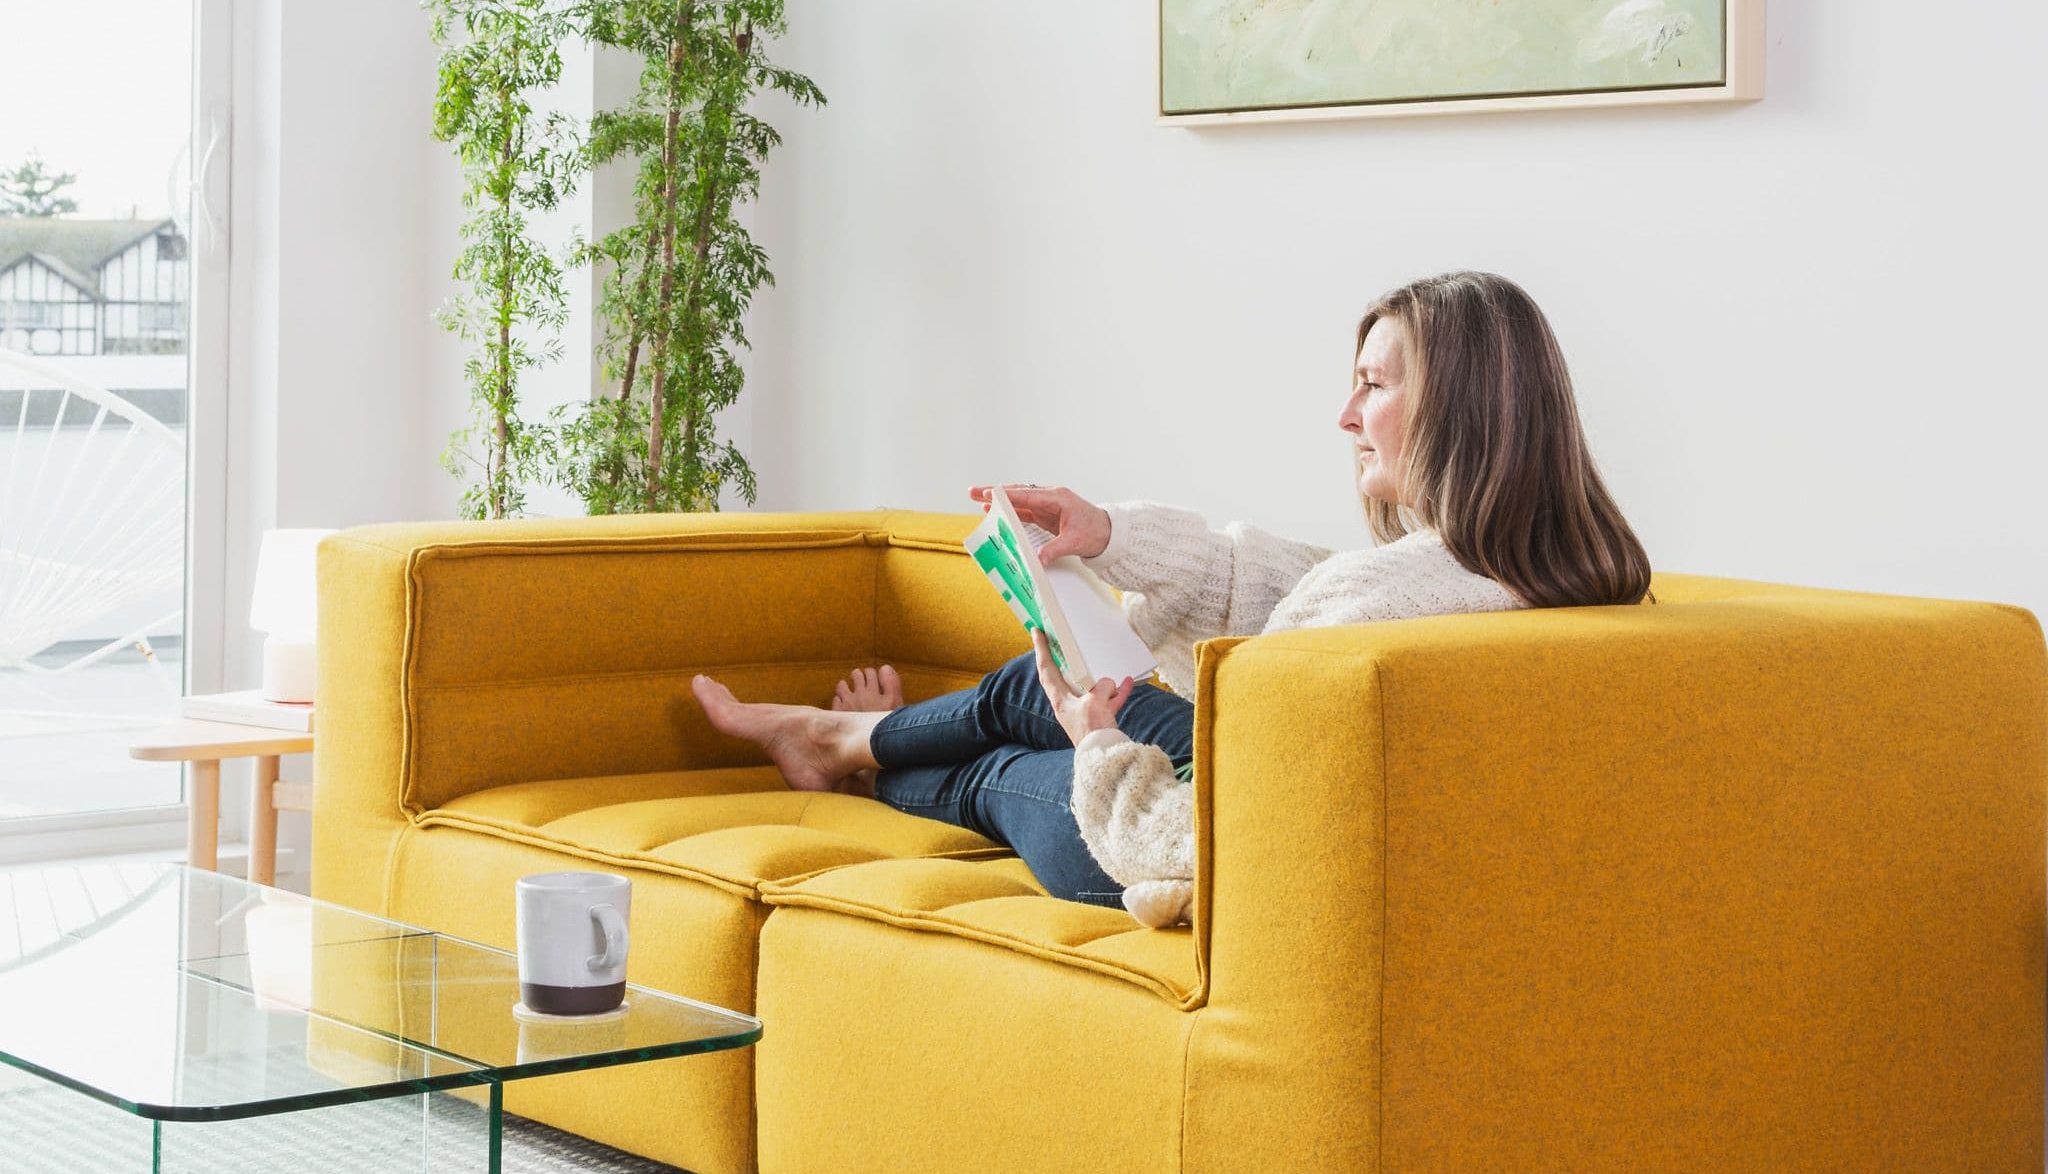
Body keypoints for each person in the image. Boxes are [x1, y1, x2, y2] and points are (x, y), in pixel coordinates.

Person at [691, 270, 1651, 929]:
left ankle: (844, 748)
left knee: (1025, 720)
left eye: (1371, 385)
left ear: (1462, 408)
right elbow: (1300, 586)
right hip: (1275, 811)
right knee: (1048, 695)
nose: (1346, 417)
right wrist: (1109, 532)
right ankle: (846, 745)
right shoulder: (1561, 578)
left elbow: (1199, 840)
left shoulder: (1374, 607)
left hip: (1182, 846)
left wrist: (1101, 745)